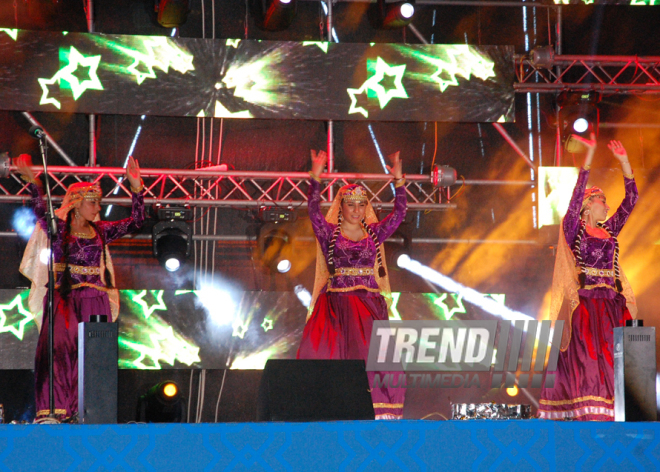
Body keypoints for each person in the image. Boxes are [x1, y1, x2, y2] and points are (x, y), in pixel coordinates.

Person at [16, 154, 145, 423]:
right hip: (65, 299)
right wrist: (34, 182)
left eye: (98, 203)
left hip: (95, 301)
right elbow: (40, 209)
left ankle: (85, 411)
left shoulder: (101, 231)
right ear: (76, 204)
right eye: (92, 202)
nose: (97, 208)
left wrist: (136, 189)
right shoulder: (57, 228)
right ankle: (55, 411)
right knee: (59, 353)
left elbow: (136, 222)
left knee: (93, 355)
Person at [297, 149, 407, 419]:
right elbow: (312, 211)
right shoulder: (328, 233)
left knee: (377, 361)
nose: (357, 210)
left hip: (368, 306)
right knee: (328, 357)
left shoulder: (375, 233)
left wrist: (398, 178)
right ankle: (328, 409)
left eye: (361, 205)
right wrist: (316, 176)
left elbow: (400, 213)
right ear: (341, 207)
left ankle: (380, 411)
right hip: (335, 306)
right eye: (351, 205)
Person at [539, 135, 638, 421]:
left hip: (611, 305)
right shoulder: (574, 229)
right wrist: (590, 156)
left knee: (614, 362)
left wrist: (624, 162)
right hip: (586, 305)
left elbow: (631, 200)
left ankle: (613, 417)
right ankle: (585, 416)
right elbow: (573, 198)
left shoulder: (609, 230)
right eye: (602, 201)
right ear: (587, 205)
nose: (607, 206)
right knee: (589, 360)